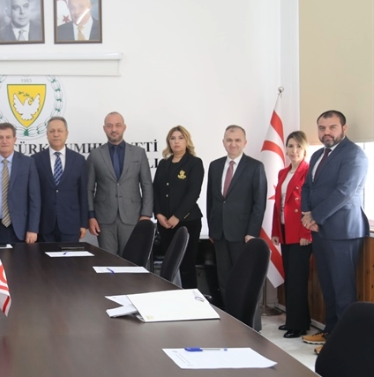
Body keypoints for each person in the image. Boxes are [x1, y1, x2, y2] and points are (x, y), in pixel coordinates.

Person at [300, 110, 368, 354]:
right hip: (319, 231)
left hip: (343, 232)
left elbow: (344, 192)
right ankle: (331, 332)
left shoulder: (354, 155)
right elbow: (307, 187)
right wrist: (307, 215)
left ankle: (344, 345)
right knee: (327, 286)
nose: (326, 132)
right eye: (322, 128)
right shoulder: (318, 154)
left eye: (332, 127)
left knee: (342, 289)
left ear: (344, 129)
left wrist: (315, 216)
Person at [206, 125, 266, 331]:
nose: (233, 144)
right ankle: (232, 323)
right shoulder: (215, 166)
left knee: (247, 280)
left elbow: (259, 203)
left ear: (244, 143)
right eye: (229, 140)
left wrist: (252, 232)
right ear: (223, 142)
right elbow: (211, 200)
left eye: (237, 140)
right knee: (225, 280)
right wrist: (212, 229)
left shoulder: (255, 167)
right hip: (220, 233)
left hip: (243, 235)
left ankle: (252, 326)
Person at [87, 112, 153, 256]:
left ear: (124, 127)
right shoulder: (95, 155)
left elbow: (147, 185)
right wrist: (91, 216)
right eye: (109, 126)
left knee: (131, 261)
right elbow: (89, 189)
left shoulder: (139, 153)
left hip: (133, 217)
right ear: (104, 128)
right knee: (107, 262)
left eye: (118, 125)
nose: (114, 129)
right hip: (104, 219)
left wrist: (146, 215)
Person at [270, 131, 312, 339]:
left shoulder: (309, 171)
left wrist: (306, 232)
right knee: (290, 278)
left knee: (297, 280)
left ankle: (300, 324)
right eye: (290, 146)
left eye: (298, 146)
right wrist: (275, 230)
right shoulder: (283, 172)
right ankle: (292, 320)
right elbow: (278, 204)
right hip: (285, 230)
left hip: (300, 232)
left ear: (304, 149)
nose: (294, 150)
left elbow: (309, 205)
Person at [152, 125, 204, 288]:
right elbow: (155, 190)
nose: (176, 141)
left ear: (187, 141)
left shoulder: (194, 163)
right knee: (169, 265)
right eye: (173, 138)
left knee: (186, 265)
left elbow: (193, 193)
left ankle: (190, 298)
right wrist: (158, 213)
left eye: (180, 138)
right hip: (165, 224)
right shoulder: (163, 164)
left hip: (188, 222)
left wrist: (177, 216)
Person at [31, 117, 88, 242]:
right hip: (44, 225)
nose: (56, 134)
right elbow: (32, 195)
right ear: (47, 134)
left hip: (71, 224)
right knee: (44, 256)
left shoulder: (79, 160)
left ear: (66, 133)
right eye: (52, 131)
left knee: (70, 256)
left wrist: (84, 223)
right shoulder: (35, 160)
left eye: (60, 131)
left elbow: (83, 193)